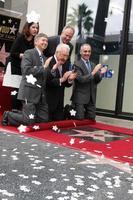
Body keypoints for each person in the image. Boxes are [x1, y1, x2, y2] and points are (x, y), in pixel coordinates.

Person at [1, 33, 49, 126]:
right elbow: (26, 70)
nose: (45, 42)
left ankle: (19, 113)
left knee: (43, 120)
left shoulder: (45, 58)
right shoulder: (28, 53)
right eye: (43, 40)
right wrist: (43, 67)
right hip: (29, 92)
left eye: (46, 41)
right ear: (36, 42)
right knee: (29, 121)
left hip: (40, 95)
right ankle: (8, 115)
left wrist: (54, 69)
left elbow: (46, 75)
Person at [2, 21, 39, 110]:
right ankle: (13, 113)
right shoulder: (20, 38)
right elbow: (12, 52)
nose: (35, 30)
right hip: (15, 68)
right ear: (28, 27)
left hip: (25, 69)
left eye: (37, 28)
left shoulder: (35, 40)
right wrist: (22, 55)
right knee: (16, 92)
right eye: (33, 27)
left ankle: (19, 113)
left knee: (22, 92)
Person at [71, 43, 107, 121]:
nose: (87, 53)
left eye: (89, 51)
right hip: (80, 98)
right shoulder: (76, 65)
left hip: (91, 97)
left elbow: (96, 81)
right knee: (79, 120)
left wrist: (101, 73)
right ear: (80, 52)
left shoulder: (93, 64)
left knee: (91, 119)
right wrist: (93, 72)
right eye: (85, 51)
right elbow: (81, 80)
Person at [46, 43, 77, 121]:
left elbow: (66, 84)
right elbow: (46, 81)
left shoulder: (66, 63)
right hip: (47, 101)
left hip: (60, 101)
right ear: (57, 53)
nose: (65, 58)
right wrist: (62, 79)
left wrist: (70, 79)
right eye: (63, 55)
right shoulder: (49, 61)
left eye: (67, 56)